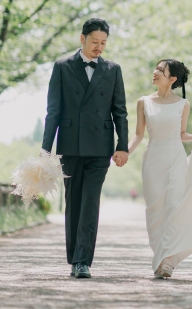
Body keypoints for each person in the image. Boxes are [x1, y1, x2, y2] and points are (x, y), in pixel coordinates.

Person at [41, 18, 129, 279]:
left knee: (90, 203)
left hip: (100, 147)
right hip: (70, 144)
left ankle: (82, 261)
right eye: (94, 42)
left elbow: (120, 112)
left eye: (103, 43)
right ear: (82, 39)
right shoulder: (62, 67)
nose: (99, 47)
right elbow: (53, 111)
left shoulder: (113, 70)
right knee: (74, 202)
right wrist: (46, 150)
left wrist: (122, 146)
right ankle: (74, 258)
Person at [128, 59, 192, 279]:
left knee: (173, 207)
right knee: (155, 211)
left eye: (161, 70)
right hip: (153, 161)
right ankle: (160, 254)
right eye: (156, 68)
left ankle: (167, 261)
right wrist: (123, 152)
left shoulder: (183, 104)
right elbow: (139, 135)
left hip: (176, 161)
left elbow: (181, 134)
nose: (155, 72)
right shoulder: (143, 102)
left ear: (172, 79)